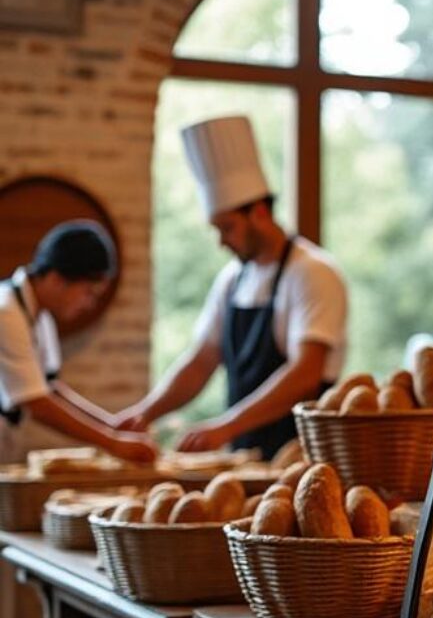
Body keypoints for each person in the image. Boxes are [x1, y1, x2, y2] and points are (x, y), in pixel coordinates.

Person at [119, 115, 348, 458]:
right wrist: (144, 414)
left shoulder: (313, 272)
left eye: (226, 227)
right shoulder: (232, 279)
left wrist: (225, 426)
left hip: (301, 457)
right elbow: (201, 361)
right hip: (245, 457)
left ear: (258, 212)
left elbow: (306, 374)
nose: (221, 242)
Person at [0, 221, 158, 466]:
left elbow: (50, 387)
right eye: (88, 292)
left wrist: (111, 423)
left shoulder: (39, 314)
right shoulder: (6, 312)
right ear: (56, 279)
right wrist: (113, 443)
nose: (89, 304)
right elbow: (36, 403)